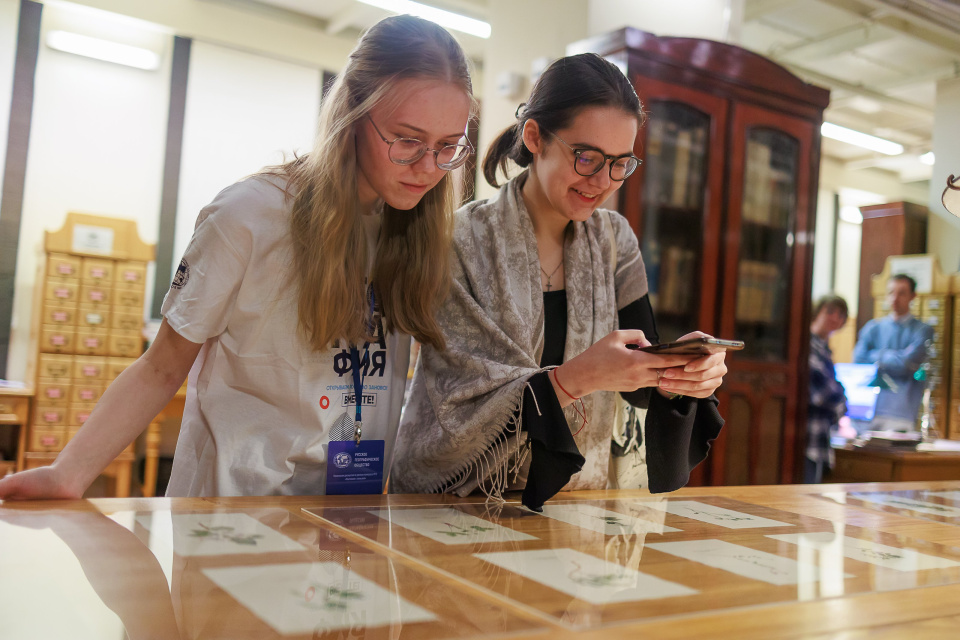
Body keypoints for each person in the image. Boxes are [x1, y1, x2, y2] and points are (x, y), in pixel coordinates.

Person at [0, 15, 475, 499]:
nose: (428, 168)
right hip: (233, 515)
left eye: (447, 146)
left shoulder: (413, 227)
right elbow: (162, 367)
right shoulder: (249, 215)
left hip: (344, 521)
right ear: (352, 111)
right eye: (408, 140)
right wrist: (68, 473)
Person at [391, 54, 727, 511]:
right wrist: (576, 378)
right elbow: (462, 402)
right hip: (456, 499)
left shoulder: (614, 241)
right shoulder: (458, 240)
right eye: (587, 158)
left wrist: (681, 373)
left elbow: (638, 375)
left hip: (571, 503)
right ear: (535, 137)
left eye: (620, 163)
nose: (603, 181)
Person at [853, 274, 934, 432]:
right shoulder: (873, 328)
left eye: (902, 293)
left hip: (901, 412)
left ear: (913, 296)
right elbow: (859, 359)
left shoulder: (922, 330)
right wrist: (896, 355)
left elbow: (907, 364)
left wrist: (876, 356)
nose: (895, 298)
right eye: (891, 292)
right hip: (871, 410)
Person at [805, 294, 849, 483]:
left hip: (819, 438)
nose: (834, 318)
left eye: (840, 315)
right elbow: (827, 393)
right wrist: (842, 405)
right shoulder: (807, 344)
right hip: (807, 438)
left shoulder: (824, 349)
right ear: (818, 311)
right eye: (830, 311)